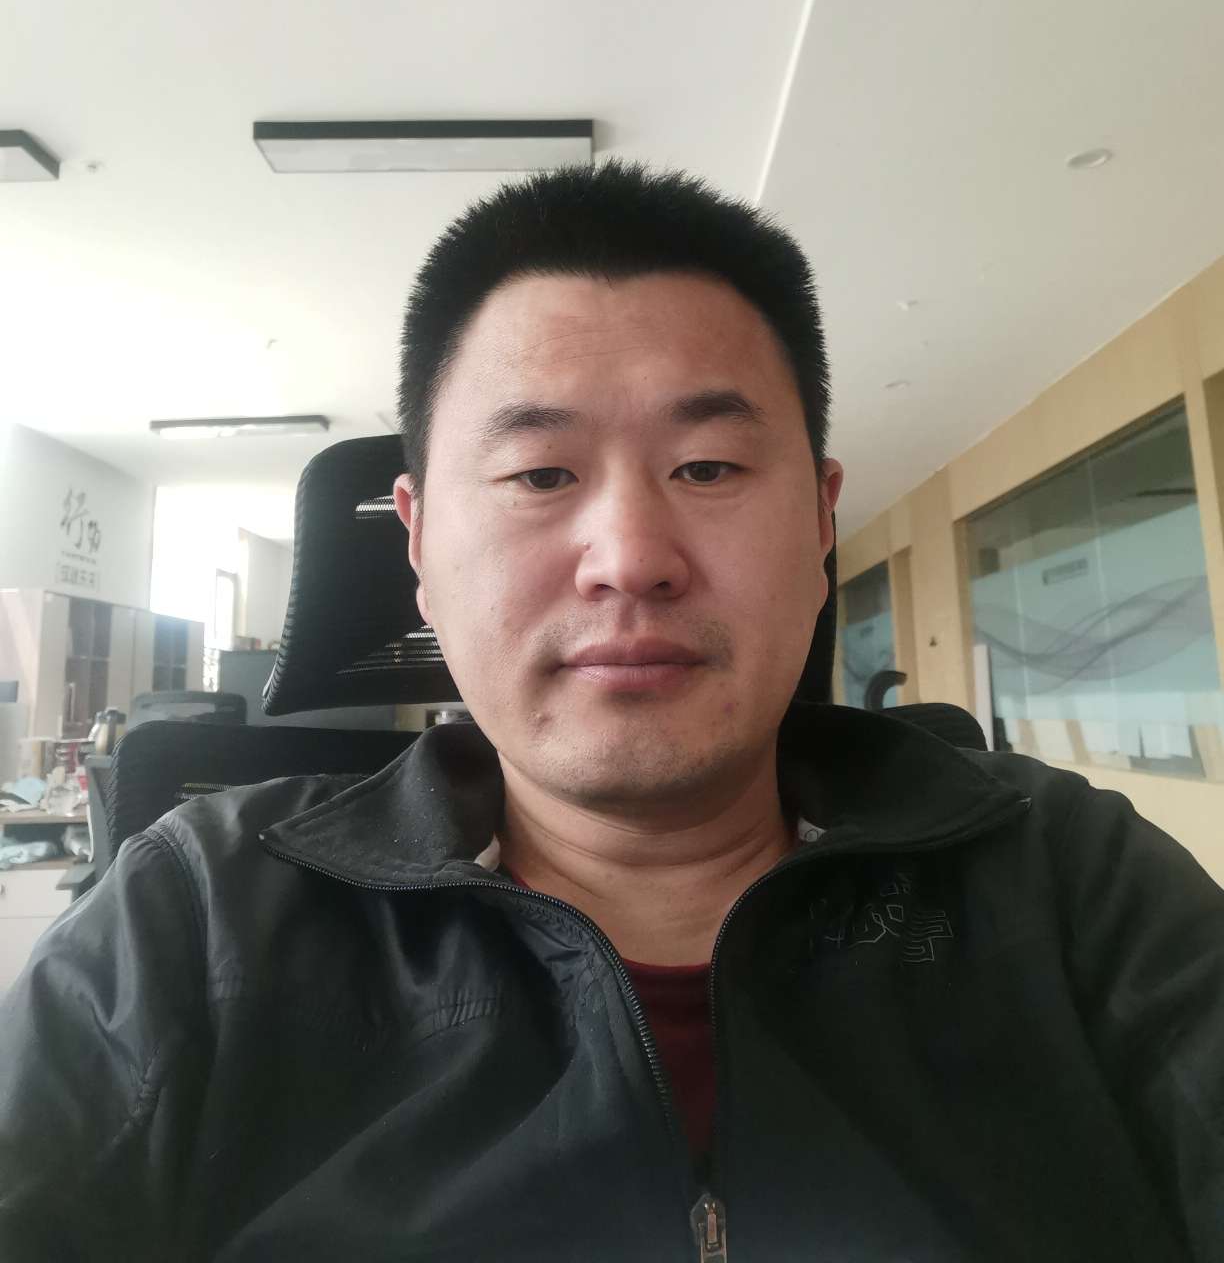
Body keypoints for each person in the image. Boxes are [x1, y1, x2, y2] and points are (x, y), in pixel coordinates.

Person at [1, 160, 1222, 1261]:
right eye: (541, 473)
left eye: (708, 467)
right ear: (418, 542)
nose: (631, 557)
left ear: (820, 519)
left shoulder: (1075, 886)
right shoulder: (190, 930)